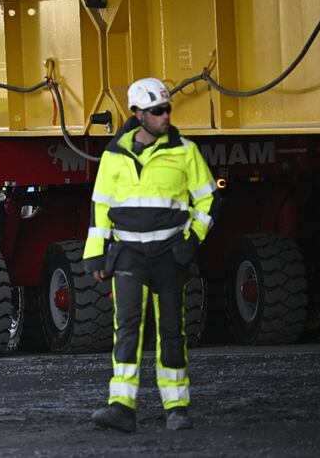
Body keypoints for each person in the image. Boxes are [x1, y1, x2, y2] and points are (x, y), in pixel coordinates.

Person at [84, 78, 220, 432]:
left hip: (169, 255)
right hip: (129, 254)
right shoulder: (114, 156)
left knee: (172, 332)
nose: (166, 116)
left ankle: (176, 407)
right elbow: (101, 209)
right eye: (158, 111)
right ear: (138, 114)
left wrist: (191, 240)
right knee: (126, 329)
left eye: (167, 110)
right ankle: (121, 407)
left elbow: (208, 200)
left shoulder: (185, 151)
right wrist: (96, 257)